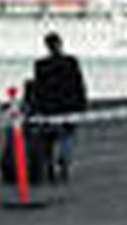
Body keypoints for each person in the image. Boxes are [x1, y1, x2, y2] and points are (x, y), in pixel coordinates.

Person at [33, 32, 88, 180]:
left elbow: (38, 88)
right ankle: (64, 163)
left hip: (48, 108)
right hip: (68, 106)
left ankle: (50, 165)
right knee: (67, 137)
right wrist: (82, 104)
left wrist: (37, 107)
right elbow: (78, 84)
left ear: (47, 46)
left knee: (48, 139)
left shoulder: (40, 65)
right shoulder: (71, 62)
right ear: (60, 44)